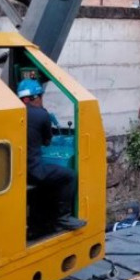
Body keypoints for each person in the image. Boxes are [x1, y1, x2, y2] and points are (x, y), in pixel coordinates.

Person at [18, 78, 86, 233]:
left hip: (17, 171)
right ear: (32, 98)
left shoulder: (11, 113)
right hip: (33, 170)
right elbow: (47, 142)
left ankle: (37, 224)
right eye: (41, 97)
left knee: (45, 184)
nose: (42, 101)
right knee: (69, 176)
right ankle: (63, 218)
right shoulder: (41, 115)